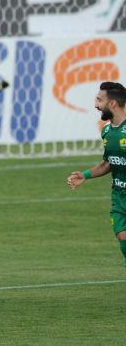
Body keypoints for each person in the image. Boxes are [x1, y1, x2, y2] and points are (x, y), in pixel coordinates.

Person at [67, 81, 126, 268]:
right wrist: (85, 175)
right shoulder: (107, 131)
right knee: (122, 235)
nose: (95, 105)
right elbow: (108, 162)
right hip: (119, 197)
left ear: (113, 104)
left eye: (99, 100)